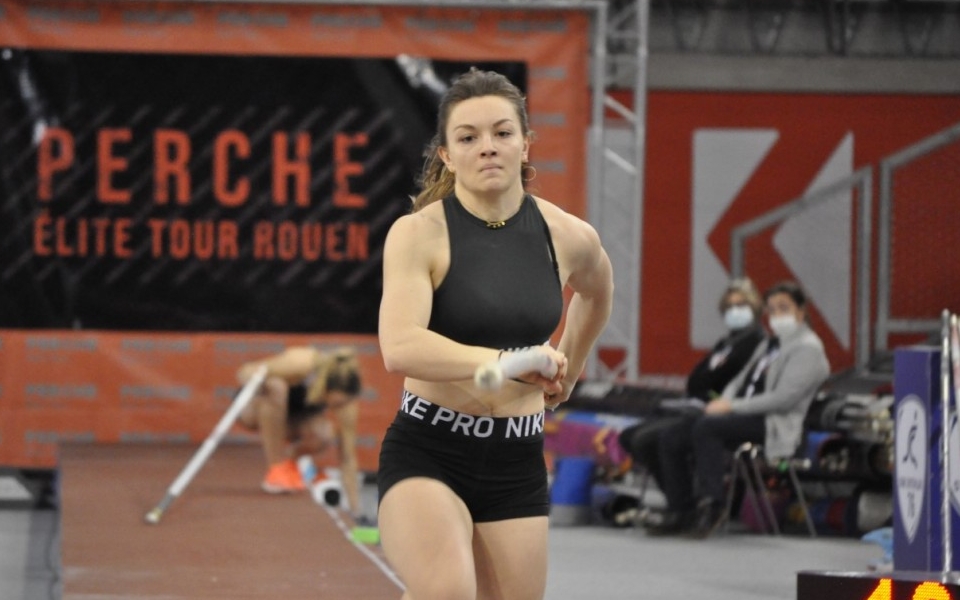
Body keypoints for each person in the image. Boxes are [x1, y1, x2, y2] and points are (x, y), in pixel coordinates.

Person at [376, 67, 614, 600]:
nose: (488, 147)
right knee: (448, 591)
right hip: (429, 451)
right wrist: (507, 362)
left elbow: (597, 293)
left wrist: (569, 366)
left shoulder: (569, 236)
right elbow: (401, 346)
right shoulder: (419, 234)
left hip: (517, 459)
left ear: (526, 144)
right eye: (468, 137)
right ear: (446, 154)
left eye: (503, 133)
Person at [651, 280, 830, 538]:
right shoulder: (771, 344)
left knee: (707, 428)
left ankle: (714, 505)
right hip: (741, 414)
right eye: (773, 309)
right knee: (673, 435)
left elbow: (783, 399)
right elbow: (739, 379)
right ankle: (681, 510)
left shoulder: (808, 349)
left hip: (773, 423)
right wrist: (723, 402)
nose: (777, 315)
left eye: (784, 308)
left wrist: (731, 406)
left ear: (801, 311)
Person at [617, 277, 766, 512]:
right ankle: (678, 499)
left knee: (652, 439)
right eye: (730, 307)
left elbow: (722, 380)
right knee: (629, 436)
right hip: (699, 405)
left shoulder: (756, 343)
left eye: (741, 306)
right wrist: (708, 381)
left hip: (720, 411)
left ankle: (684, 507)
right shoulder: (726, 342)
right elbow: (696, 380)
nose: (735, 311)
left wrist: (711, 385)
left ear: (755, 308)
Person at [235, 345, 363, 516]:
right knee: (276, 386)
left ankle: (290, 462)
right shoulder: (302, 362)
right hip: (254, 410)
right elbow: (244, 371)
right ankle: (276, 469)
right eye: (335, 403)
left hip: (291, 421)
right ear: (325, 386)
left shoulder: (346, 404)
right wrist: (260, 382)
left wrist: (356, 510)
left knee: (323, 433)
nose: (337, 408)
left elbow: (348, 458)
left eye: (341, 405)